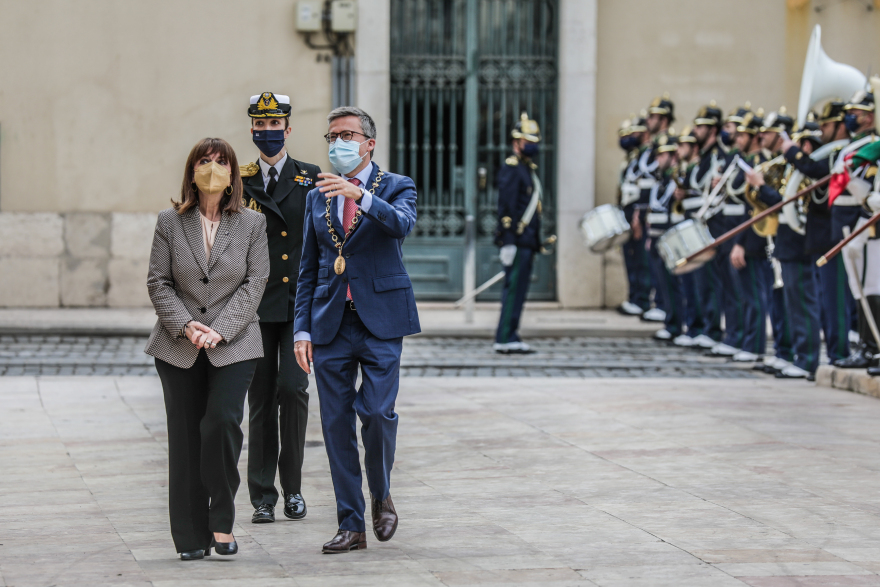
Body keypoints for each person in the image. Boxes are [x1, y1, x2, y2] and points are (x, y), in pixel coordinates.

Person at [293, 106, 420, 554]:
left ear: (369, 143)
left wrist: (359, 194)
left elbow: (402, 224)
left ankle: (381, 493)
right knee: (334, 424)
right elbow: (310, 268)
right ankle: (352, 523)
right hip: (330, 322)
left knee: (378, 413)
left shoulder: (398, 186)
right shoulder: (316, 196)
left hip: (382, 320)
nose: (336, 144)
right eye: (330, 137)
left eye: (346, 135)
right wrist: (301, 331)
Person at [145, 138, 270, 560]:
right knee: (184, 438)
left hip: (234, 345)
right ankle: (190, 537)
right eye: (205, 160)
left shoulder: (253, 224)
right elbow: (158, 282)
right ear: (192, 170)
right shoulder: (169, 221)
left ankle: (222, 521)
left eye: (221, 162)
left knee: (220, 424)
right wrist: (185, 325)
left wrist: (220, 329)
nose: (213, 167)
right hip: (178, 345)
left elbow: (256, 283)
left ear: (233, 173)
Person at [240, 92, 321, 524]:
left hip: (296, 306)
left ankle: (293, 489)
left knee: (292, 391)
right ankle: (262, 497)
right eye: (260, 126)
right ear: (252, 130)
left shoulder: (310, 178)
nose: (268, 133)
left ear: (288, 129)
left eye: (275, 126)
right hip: (254, 307)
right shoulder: (240, 178)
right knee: (261, 398)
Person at [748, 108, 821, 380]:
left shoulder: (802, 168)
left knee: (802, 303)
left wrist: (761, 188)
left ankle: (807, 360)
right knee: (790, 303)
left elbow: (785, 203)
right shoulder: (789, 167)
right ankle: (792, 354)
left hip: (798, 243)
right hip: (785, 242)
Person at [833, 90, 879, 369]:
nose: (851, 117)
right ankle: (868, 346)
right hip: (861, 222)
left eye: (857, 112)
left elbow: (869, 190)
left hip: (869, 223)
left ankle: (872, 347)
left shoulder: (872, 145)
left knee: (872, 286)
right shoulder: (857, 146)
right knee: (860, 286)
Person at [494, 112, 544, 353]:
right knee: (513, 291)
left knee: (519, 291)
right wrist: (508, 241)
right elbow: (506, 207)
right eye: (528, 141)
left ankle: (511, 333)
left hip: (526, 241)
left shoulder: (526, 168)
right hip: (517, 240)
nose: (532, 145)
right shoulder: (512, 169)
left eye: (535, 141)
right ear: (516, 143)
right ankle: (504, 337)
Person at [617, 113, 652, 316]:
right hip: (629, 209)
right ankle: (634, 296)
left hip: (639, 211)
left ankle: (642, 299)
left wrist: (639, 215)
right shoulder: (635, 157)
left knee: (641, 257)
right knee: (631, 257)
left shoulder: (647, 156)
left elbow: (645, 188)